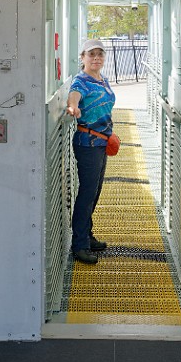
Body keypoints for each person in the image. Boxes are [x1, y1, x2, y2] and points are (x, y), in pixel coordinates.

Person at [65, 38, 116, 265]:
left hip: (102, 143)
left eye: (100, 54)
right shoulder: (81, 81)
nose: (96, 58)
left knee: (94, 192)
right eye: (91, 54)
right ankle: (80, 246)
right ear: (82, 58)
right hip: (88, 144)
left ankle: (87, 235)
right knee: (86, 195)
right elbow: (74, 96)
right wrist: (73, 107)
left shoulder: (102, 78)